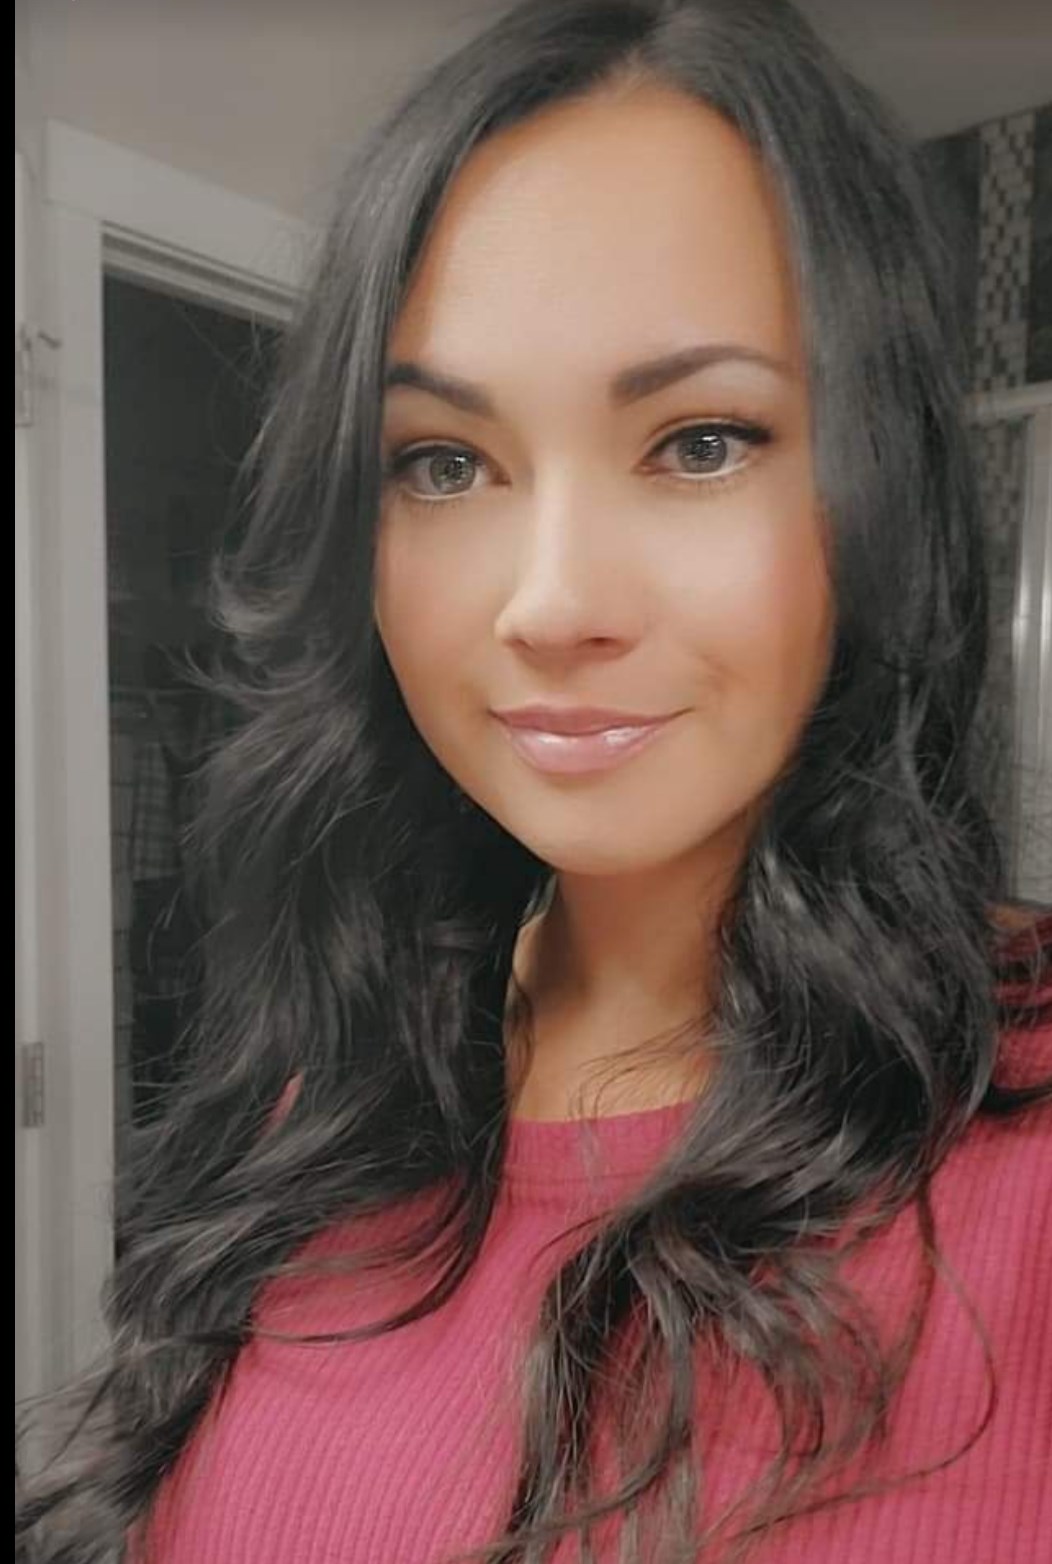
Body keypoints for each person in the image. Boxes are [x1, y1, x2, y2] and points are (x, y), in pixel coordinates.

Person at [16, 1, 1051, 1561]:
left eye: (700, 441)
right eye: (444, 462)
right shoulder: (344, 1079)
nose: (550, 603)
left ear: (878, 484)